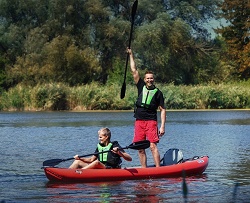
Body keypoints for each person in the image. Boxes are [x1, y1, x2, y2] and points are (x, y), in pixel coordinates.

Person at [127, 48, 166, 168]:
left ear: (154, 79)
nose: (149, 80)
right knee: (140, 148)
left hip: (151, 121)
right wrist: (131, 54)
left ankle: (158, 169)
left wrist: (162, 126)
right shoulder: (140, 86)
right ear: (144, 80)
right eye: (147, 78)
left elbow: (162, 110)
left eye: (151, 78)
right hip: (139, 121)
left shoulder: (158, 93)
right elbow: (134, 70)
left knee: (153, 146)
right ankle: (144, 170)